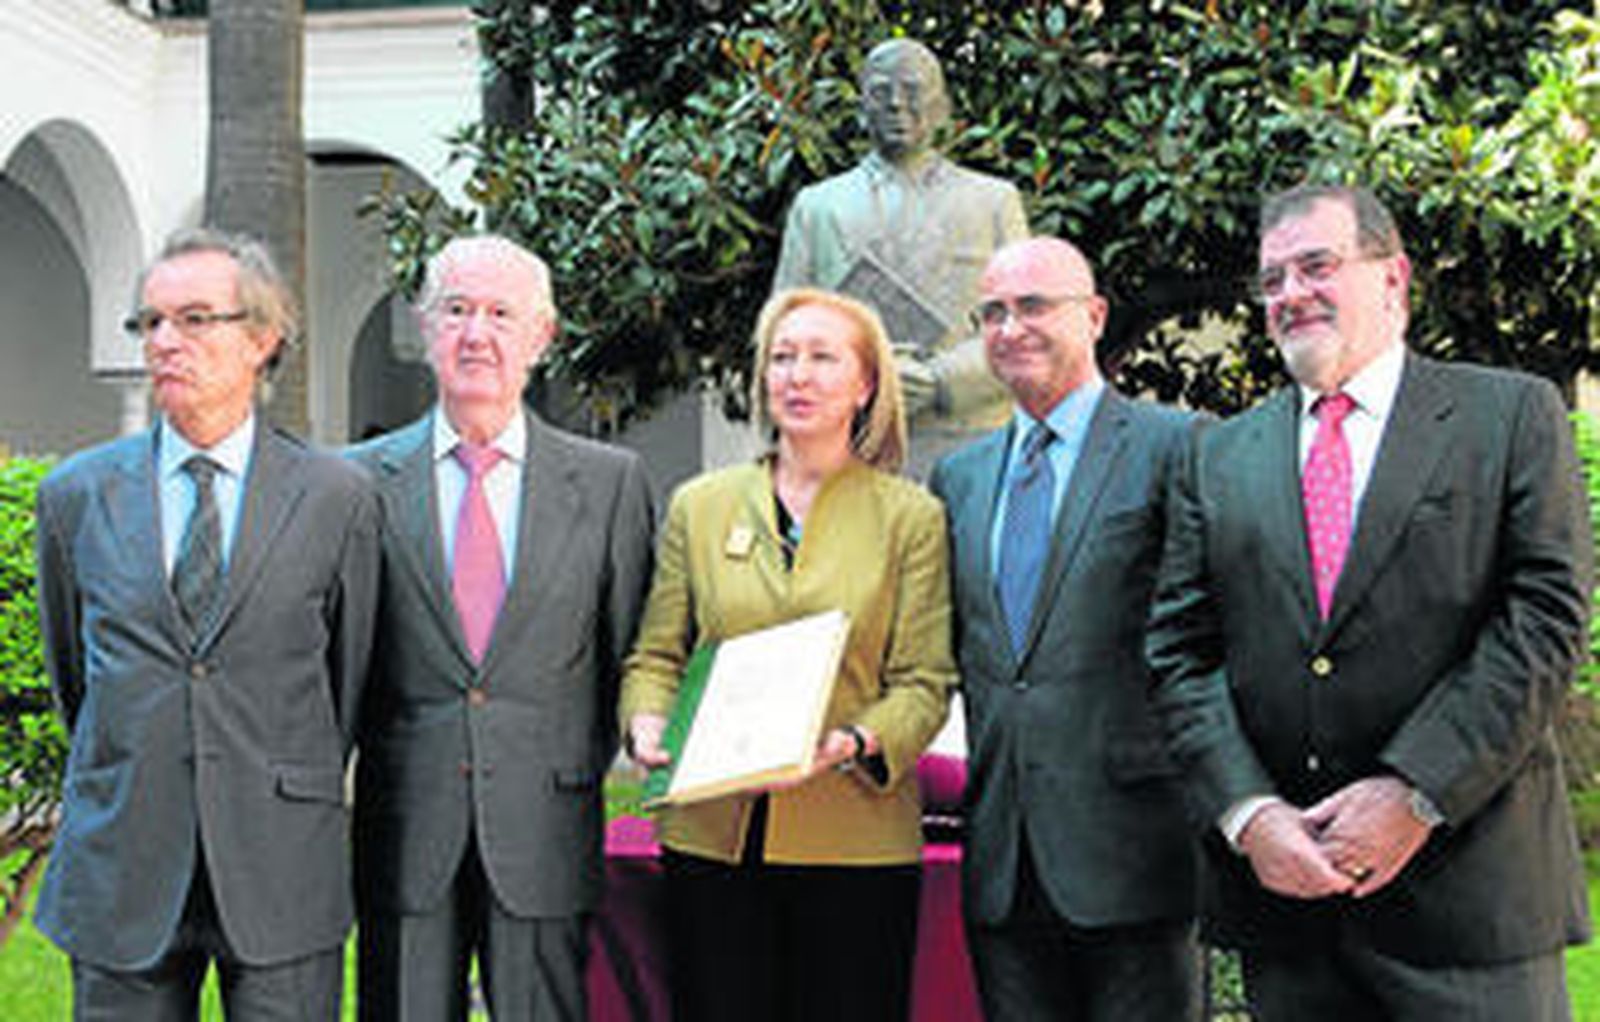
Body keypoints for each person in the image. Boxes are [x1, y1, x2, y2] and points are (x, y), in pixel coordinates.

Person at [1146, 184, 1594, 1020]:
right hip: (1292, 910)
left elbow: (1545, 619)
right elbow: (1179, 654)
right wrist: (1249, 815)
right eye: (1272, 280)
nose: (1289, 295)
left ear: (1394, 278)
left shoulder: (1509, 416)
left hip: (1473, 907)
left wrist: (1415, 791)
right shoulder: (1218, 455)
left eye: (1317, 266)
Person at [33, 228, 381, 1020]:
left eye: (194, 319)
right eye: (150, 323)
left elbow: (348, 681)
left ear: (262, 338)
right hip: (124, 861)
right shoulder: (76, 496)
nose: (165, 342)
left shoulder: (337, 499)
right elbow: (76, 677)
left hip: (281, 865)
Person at [621, 287, 956, 1022]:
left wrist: (854, 741)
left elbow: (924, 683)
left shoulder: (912, 518)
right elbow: (656, 655)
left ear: (865, 384)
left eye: (822, 358)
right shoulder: (699, 505)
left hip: (855, 842)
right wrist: (647, 724)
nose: (797, 376)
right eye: (782, 357)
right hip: (713, 840)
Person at [348, 235, 655, 1021]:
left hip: (546, 826)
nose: (476, 334)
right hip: (405, 826)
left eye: (500, 314)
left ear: (542, 337)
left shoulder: (610, 485)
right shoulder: (355, 484)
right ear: (424, 327)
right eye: (456, 310)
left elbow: (633, 655)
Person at [928, 237, 1201, 1021]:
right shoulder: (961, 478)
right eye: (993, 313)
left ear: (1095, 315)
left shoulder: (1175, 447)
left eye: (1034, 306)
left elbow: (1204, 645)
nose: (1011, 328)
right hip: (1003, 862)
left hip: (1135, 854)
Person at [773, 37, 1029, 477]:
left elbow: (1025, 331)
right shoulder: (819, 208)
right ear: (861, 108)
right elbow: (781, 337)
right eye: (880, 91)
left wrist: (940, 382)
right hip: (852, 444)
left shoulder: (993, 202)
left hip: (972, 446)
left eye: (912, 89)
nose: (895, 104)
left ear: (943, 106)